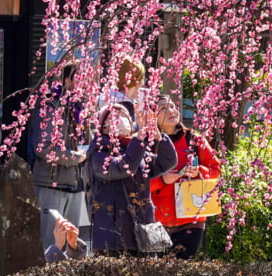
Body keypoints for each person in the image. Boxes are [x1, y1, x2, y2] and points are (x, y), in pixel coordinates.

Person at [87, 102, 177, 255]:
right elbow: (124, 167)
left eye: (124, 116)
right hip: (113, 235)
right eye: (115, 116)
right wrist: (140, 137)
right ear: (103, 125)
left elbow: (167, 162)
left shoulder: (135, 147)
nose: (121, 119)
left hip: (143, 232)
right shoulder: (98, 150)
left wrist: (159, 138)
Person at [149, 95, 222, 259]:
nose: (171, 111)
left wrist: (200, 172)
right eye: (163, 108)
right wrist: (161, 180)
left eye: (173, 106)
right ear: (152, 117)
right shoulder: (147, 145)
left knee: (182, 272)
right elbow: (138, 183)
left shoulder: (194, 140)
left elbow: (216, 169)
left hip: (191, 216)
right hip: (158, 219)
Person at [31, 62, 91, 254]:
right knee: (51, 245)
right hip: (51, 184)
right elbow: (43, 148)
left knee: (72, 243)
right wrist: (75, 158)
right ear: (67, 82)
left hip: (74, 184)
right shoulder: (51, 108)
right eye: (80, 79)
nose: (85, 84)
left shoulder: (83, 111)